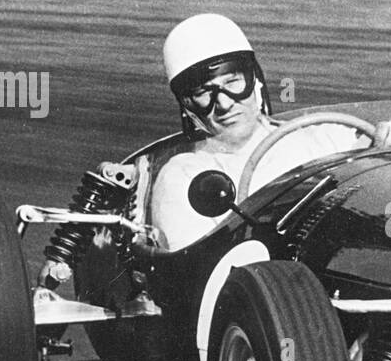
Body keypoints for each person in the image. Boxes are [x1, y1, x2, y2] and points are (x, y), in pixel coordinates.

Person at [151, 13, 363, 250]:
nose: (224, 103)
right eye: (203, 93)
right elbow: (200, 271)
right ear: (188, 107)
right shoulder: (186, 178)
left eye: (232, 83)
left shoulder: (324, 138)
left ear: (256, 82)